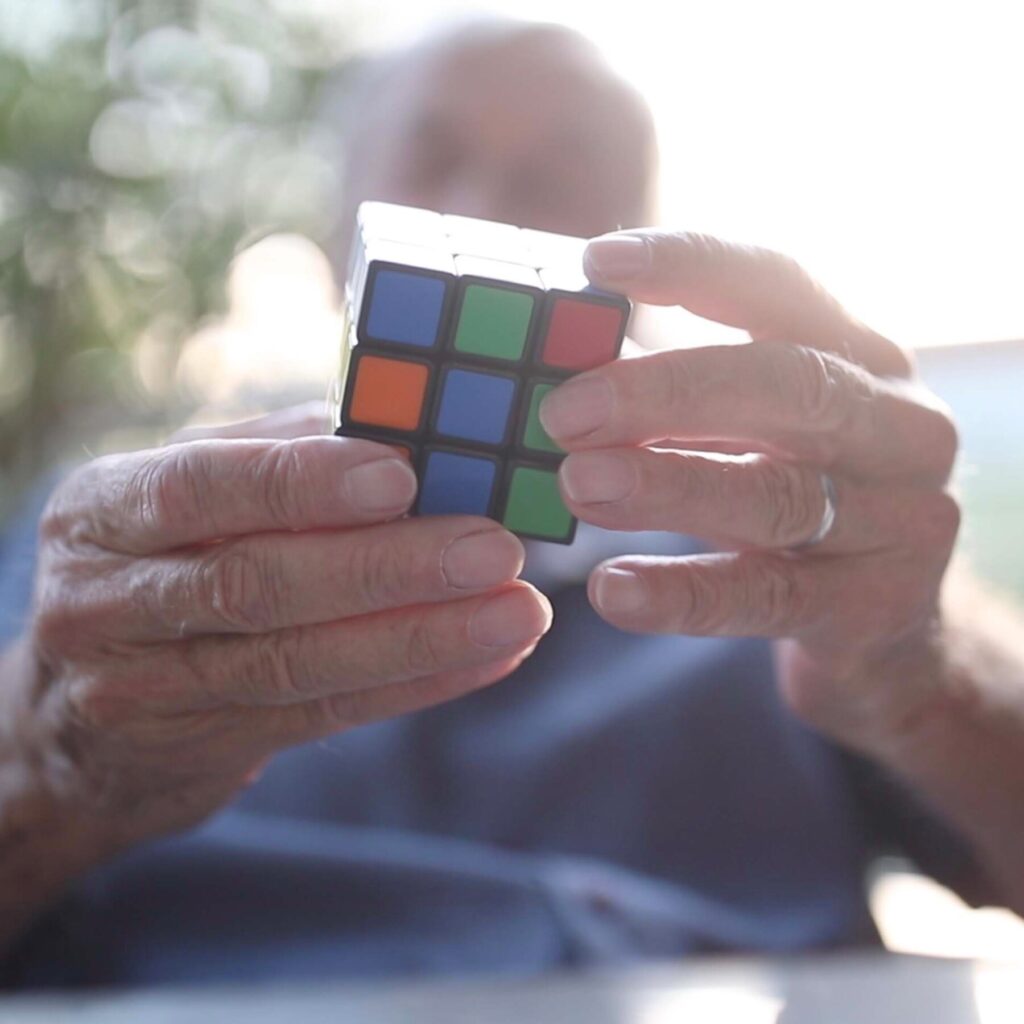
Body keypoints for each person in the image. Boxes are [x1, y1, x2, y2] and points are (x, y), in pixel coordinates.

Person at [2, 17, 1023, 986]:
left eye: (557, 173)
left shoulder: (794, 565)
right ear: (330, 241)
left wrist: (923, 680)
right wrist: (50, 773)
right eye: (431, 158)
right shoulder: (112, 569)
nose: (486, 205)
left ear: (642, 262)